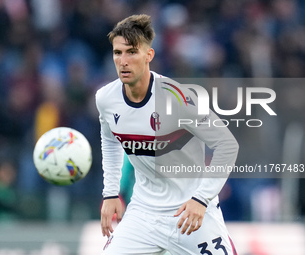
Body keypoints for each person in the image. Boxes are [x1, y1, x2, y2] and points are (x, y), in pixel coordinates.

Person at [95, 14, 239, 255]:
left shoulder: (180, 99)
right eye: (117, 53)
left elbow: (227, 145)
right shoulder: (106, 99)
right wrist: (111, 192)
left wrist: (201, 199)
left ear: (149, 55)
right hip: (143, 214)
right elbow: (110, 140)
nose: (123, 61)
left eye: (132, 52)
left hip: (189, 213)